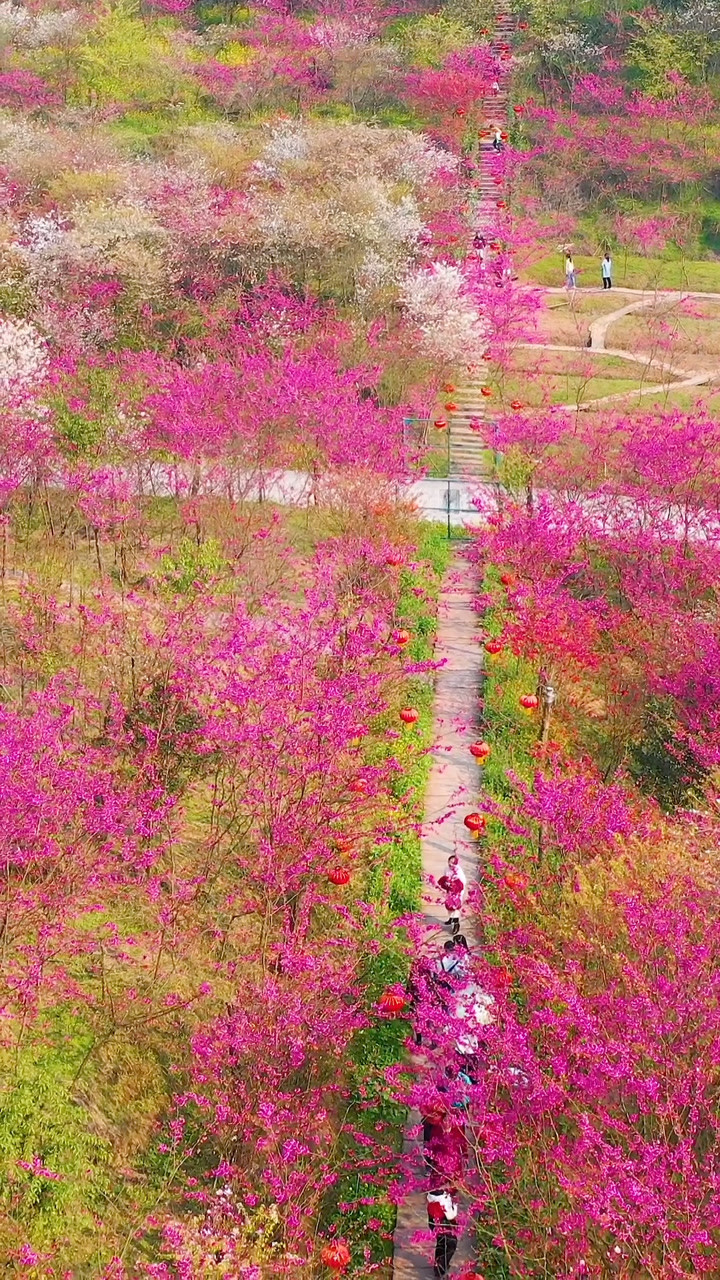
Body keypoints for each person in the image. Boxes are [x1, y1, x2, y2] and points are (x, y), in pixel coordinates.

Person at [426, 1187, 459, 1278]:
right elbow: (451, 1215)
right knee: (451, 1246)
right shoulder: (443, 1201)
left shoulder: (430, 1197)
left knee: (440, 1245)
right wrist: (455, 1204)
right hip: (445, 1226)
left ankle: (437, 1268)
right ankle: (441, 1268)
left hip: (435, 1225)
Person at [438, 854, 466, 934]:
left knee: (455, 908)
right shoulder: (446, 869)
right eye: (449, 862)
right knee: (449, 906)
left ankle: (456, 924)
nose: (451, 864)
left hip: (457, 892)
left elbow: (462, 882)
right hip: (449, 891)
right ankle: (450, 919)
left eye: (453, 863)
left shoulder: (458, 871)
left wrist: (455, 886)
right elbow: (445, 877)